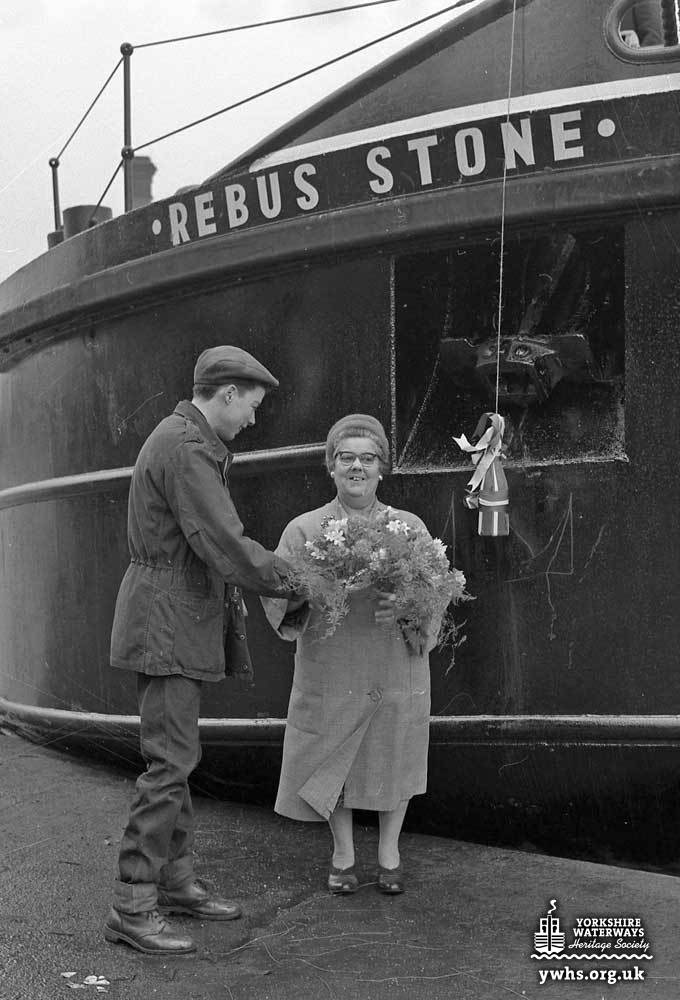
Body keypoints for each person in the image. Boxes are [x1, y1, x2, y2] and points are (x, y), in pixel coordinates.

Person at [104, 345, 293, 956]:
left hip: (170, 617)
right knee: (169, 764)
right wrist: (298, 578)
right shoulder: (187, 449)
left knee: (176, 757)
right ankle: (133, 905)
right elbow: (225, 544)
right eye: (252, 406)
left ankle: (175, 882)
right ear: (228, 394)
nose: (254, 419)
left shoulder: (181, 439)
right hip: (168, 622)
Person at [261, 414, 440, 896]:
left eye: (367, 458)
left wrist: (408, 606)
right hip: (331, 662)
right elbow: (278, 593)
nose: (357, 466)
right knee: (331, 750)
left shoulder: (409, 528)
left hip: (393, 662)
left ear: (382, 468)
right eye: (346, 458)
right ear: (331, 466)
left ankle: (389, 853)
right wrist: (309, 593)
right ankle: (343, 853)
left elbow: (435, 592)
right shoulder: (304, 530)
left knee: (394, 747)